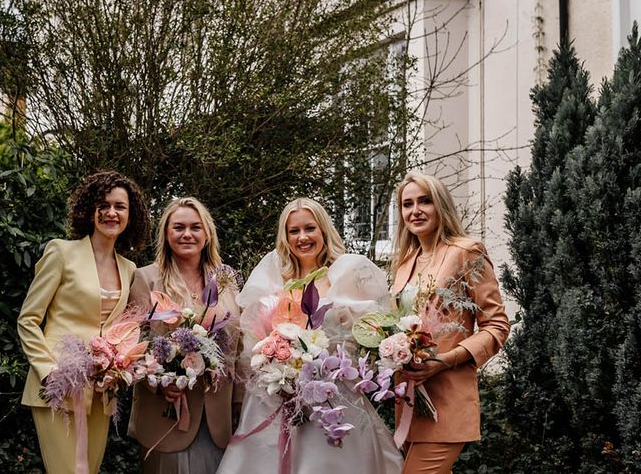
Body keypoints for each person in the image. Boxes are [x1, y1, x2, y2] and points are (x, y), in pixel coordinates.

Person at [217, 197, 403, 474]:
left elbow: (365, 337)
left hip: (332, 395)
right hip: (277, 395)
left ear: (323, 230)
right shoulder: (274, 279)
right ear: (286, 236)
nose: (302, 237)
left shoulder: (344, 274)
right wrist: (277, 366)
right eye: (294, 231)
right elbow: (252, 343)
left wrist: (323, 363)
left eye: (310, 228)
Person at [18, 170, 150, 474]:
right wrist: (48, 371)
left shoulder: (129, 269)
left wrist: (120, 365)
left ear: (131, 216)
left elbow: (125, 329)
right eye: (103, 205)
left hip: (102, 391)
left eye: (120, 206)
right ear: (89, 210)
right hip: (59, 387)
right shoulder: (61, 252)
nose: (111, 213)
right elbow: (28, 319)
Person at [390, 171, 510, 474]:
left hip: (446, 398)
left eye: (424, 201)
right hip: (409, 401)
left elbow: (496, 325)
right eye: (407, 204)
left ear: (440, 204)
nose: (415, 210)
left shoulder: (466, 252)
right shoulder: (405, 262)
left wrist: (444, 360)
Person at [127, 197, 242, 474]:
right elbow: (132, 345)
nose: (187, 234)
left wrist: (239, 405)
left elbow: (238, 347)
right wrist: (158, 382)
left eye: (195, 227)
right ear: (166, 234)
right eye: (178, 227)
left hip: (218, 417)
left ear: (207, 234)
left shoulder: (225, 282)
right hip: (167, 414)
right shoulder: (146, 279)